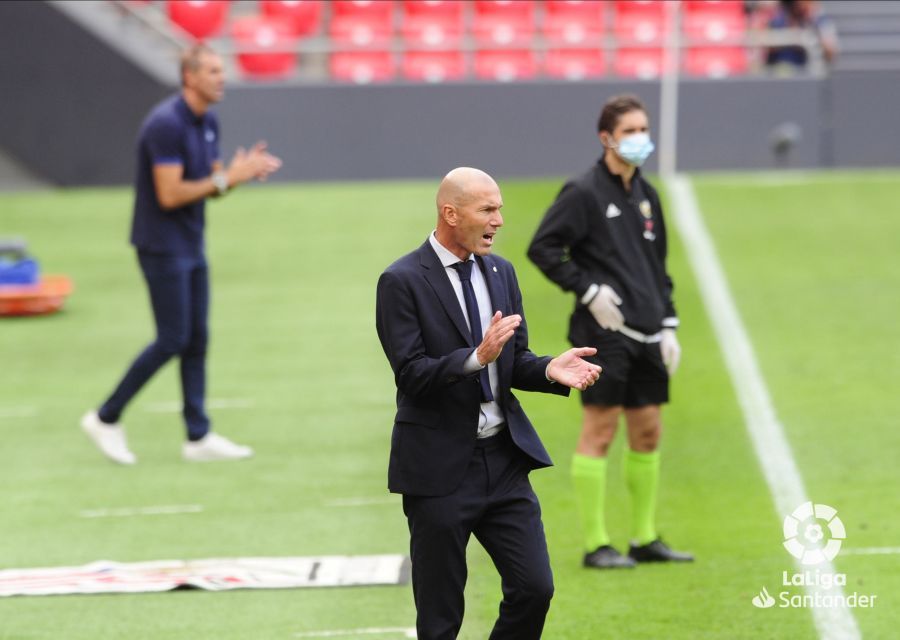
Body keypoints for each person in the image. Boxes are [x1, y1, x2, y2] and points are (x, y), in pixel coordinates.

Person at [376, 167, 602, 640]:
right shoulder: (401, 280)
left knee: (534, 589)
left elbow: (512, 361)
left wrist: (547, 369)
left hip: (503, 460)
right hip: (439, 469)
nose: (499, 219)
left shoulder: (501, 271)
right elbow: (412, 374)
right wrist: (475, 358)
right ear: (451, 213)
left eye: (499, 208)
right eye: (488, 210)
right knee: (440, 619)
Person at [80, 44, 282, 465]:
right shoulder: (165, 124)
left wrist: (235, 177)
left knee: (196, 339)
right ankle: (105, 417)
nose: (221, 77)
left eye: (221, 70)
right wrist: (228, 176)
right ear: (189, 77)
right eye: (212, 70)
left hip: (190, 242)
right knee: (173, 338)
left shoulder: (207, 121)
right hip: (160, 245)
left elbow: (211, 186)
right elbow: (170, 194)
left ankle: (198, 435)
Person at [527, 95, 693, 570]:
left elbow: (657, 266)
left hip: (646, 331)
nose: (641, 138)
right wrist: (587, 288)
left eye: (644, 129)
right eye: (631, 131)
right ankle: (597, 543)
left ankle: (644, 537)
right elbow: (544, 248)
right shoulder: (582, 192)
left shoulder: (647, 195)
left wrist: (668, 323)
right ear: (607, 138)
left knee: (648, 429)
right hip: (604, 334)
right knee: (600, 429)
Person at [764, 0, 839, 70]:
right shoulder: (779, 19)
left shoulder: (821, 21)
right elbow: (767, 49)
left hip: (809, 73)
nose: (800, 4)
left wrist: (814, 34)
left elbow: (830, 53)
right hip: (779, 72)